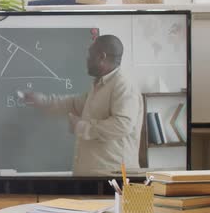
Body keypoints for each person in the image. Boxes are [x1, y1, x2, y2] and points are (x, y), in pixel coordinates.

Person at [21, 35, 143, 176]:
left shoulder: (123, 86)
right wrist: (44, 101)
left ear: (101, 57)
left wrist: (82, 127)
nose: (87, 59)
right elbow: (74, 104)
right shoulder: (100, 85)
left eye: (90, 55)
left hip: (111, 178)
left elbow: (123, 124)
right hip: (94, 176)